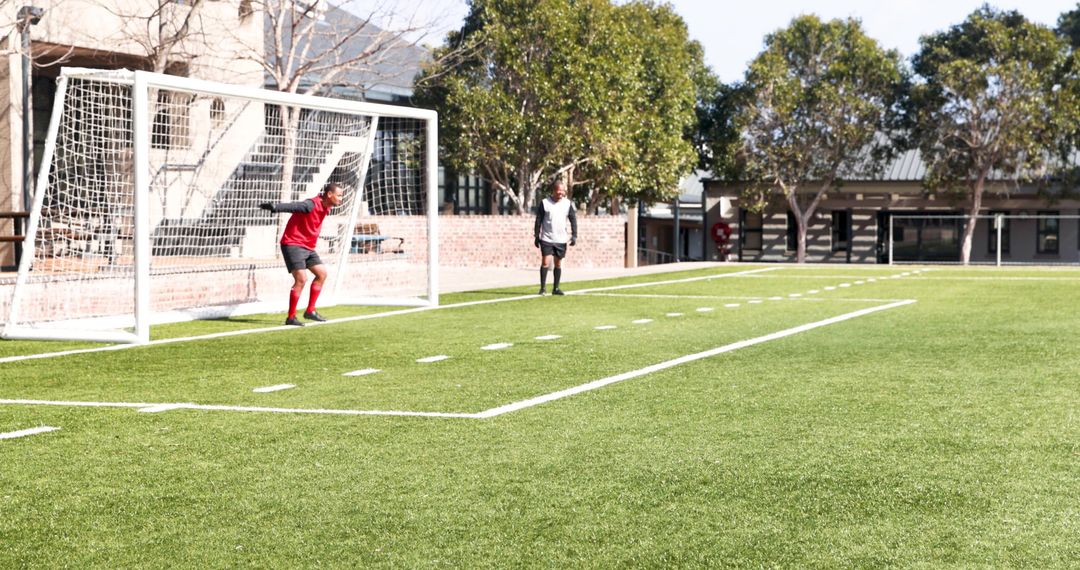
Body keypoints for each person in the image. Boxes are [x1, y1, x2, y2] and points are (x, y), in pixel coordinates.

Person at [259, 183, 344, 326]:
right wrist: (275, 207)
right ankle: (291, 317)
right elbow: (294, 206)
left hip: (308, 247)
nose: (341, 198)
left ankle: (310, 311)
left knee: (321, 274)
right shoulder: (310, 204)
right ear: (329, 194)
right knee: (301, 279)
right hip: (293, 244)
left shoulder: (327, 206)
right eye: (339, 195)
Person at [533, 180, 578, 296]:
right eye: (559, 191)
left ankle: (556, 288)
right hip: (547, 238)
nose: (561, 193)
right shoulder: (545, 203)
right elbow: (538, 220)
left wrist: (574, 235)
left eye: (563, 191)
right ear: (553, 191)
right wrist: (536, 236)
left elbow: (573, 220)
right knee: (545, 262)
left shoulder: (567, 204)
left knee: (558, 264)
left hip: (561, 239)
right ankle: (542, 288)